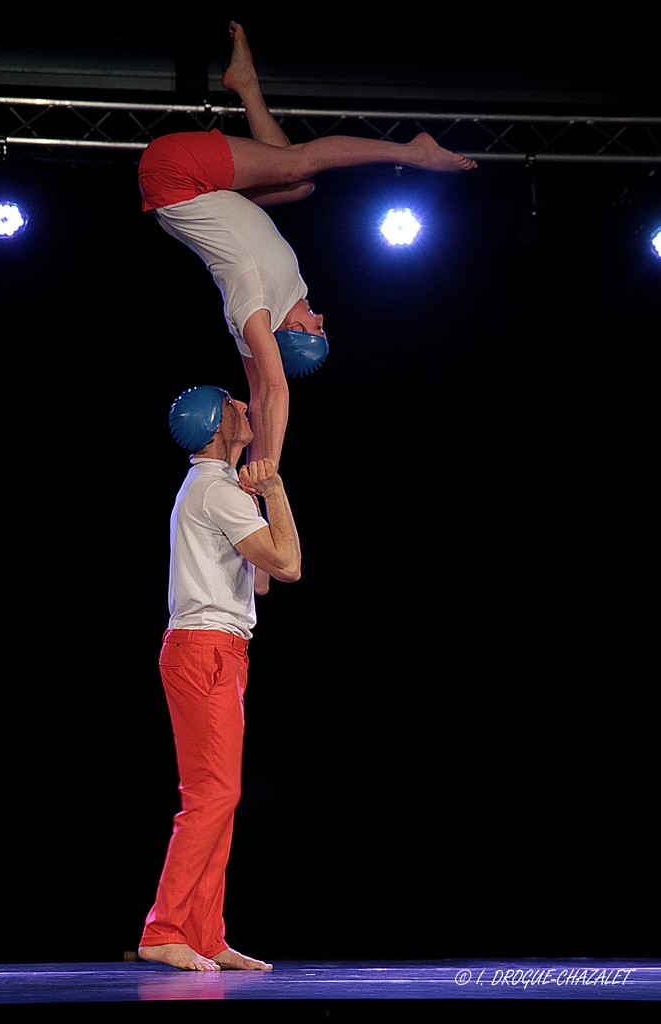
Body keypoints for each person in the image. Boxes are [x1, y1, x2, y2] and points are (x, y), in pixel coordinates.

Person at [139, 22, 476, 469]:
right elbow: (258, 400)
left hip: (175, 175)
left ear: (292, 333)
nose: (320, 315)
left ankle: (414, 152)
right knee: (300, 186)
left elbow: (276, 390)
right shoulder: (272, 311)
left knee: (300, 162)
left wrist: (268, 472)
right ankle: (246, 85)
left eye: (314, 326)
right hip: (194, 194)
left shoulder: (256, 308)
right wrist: (253, 476)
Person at [138, 385, 301, 971]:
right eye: (234, 403)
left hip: (216, 650)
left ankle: (204, 933)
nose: (245, 406)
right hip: (205, 649)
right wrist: (276, 490)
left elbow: (257, 580)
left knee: (219, 797)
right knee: (213, 795)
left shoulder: (221, 492)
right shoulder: (214, 489)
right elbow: (288, 566)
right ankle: (165, 929)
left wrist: (257, 501)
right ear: (214, 424)